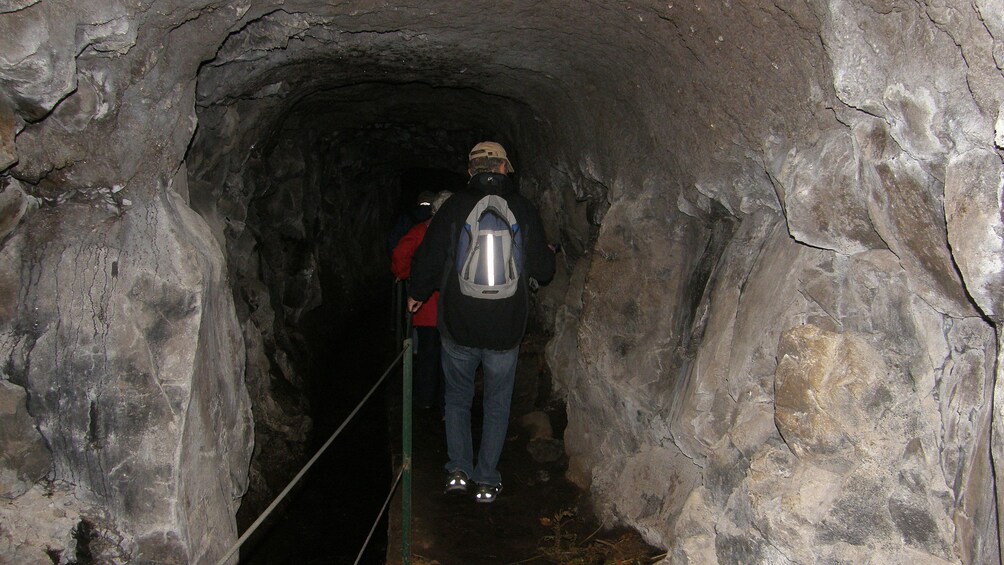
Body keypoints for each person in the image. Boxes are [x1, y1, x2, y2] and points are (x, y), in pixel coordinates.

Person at [408, 141, 555, 503]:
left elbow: (427, 258)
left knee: (457, 399)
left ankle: (458, 471)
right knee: (497, 403)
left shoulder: (455, 207)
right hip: (506, 328)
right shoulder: (522, 208)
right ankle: (487, 479)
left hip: (458, 325)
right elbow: (544, 271)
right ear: (505, 169)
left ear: (470, 171)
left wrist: (417, 293)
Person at [391, 190, 452, 412]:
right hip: (452, 308)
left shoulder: (420, 231)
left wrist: (406, 274)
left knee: (428, 353)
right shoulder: (460, 232)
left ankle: (425, 399)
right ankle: (446, 404)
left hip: (426, 307)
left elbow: (400, 253)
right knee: (449, 357)